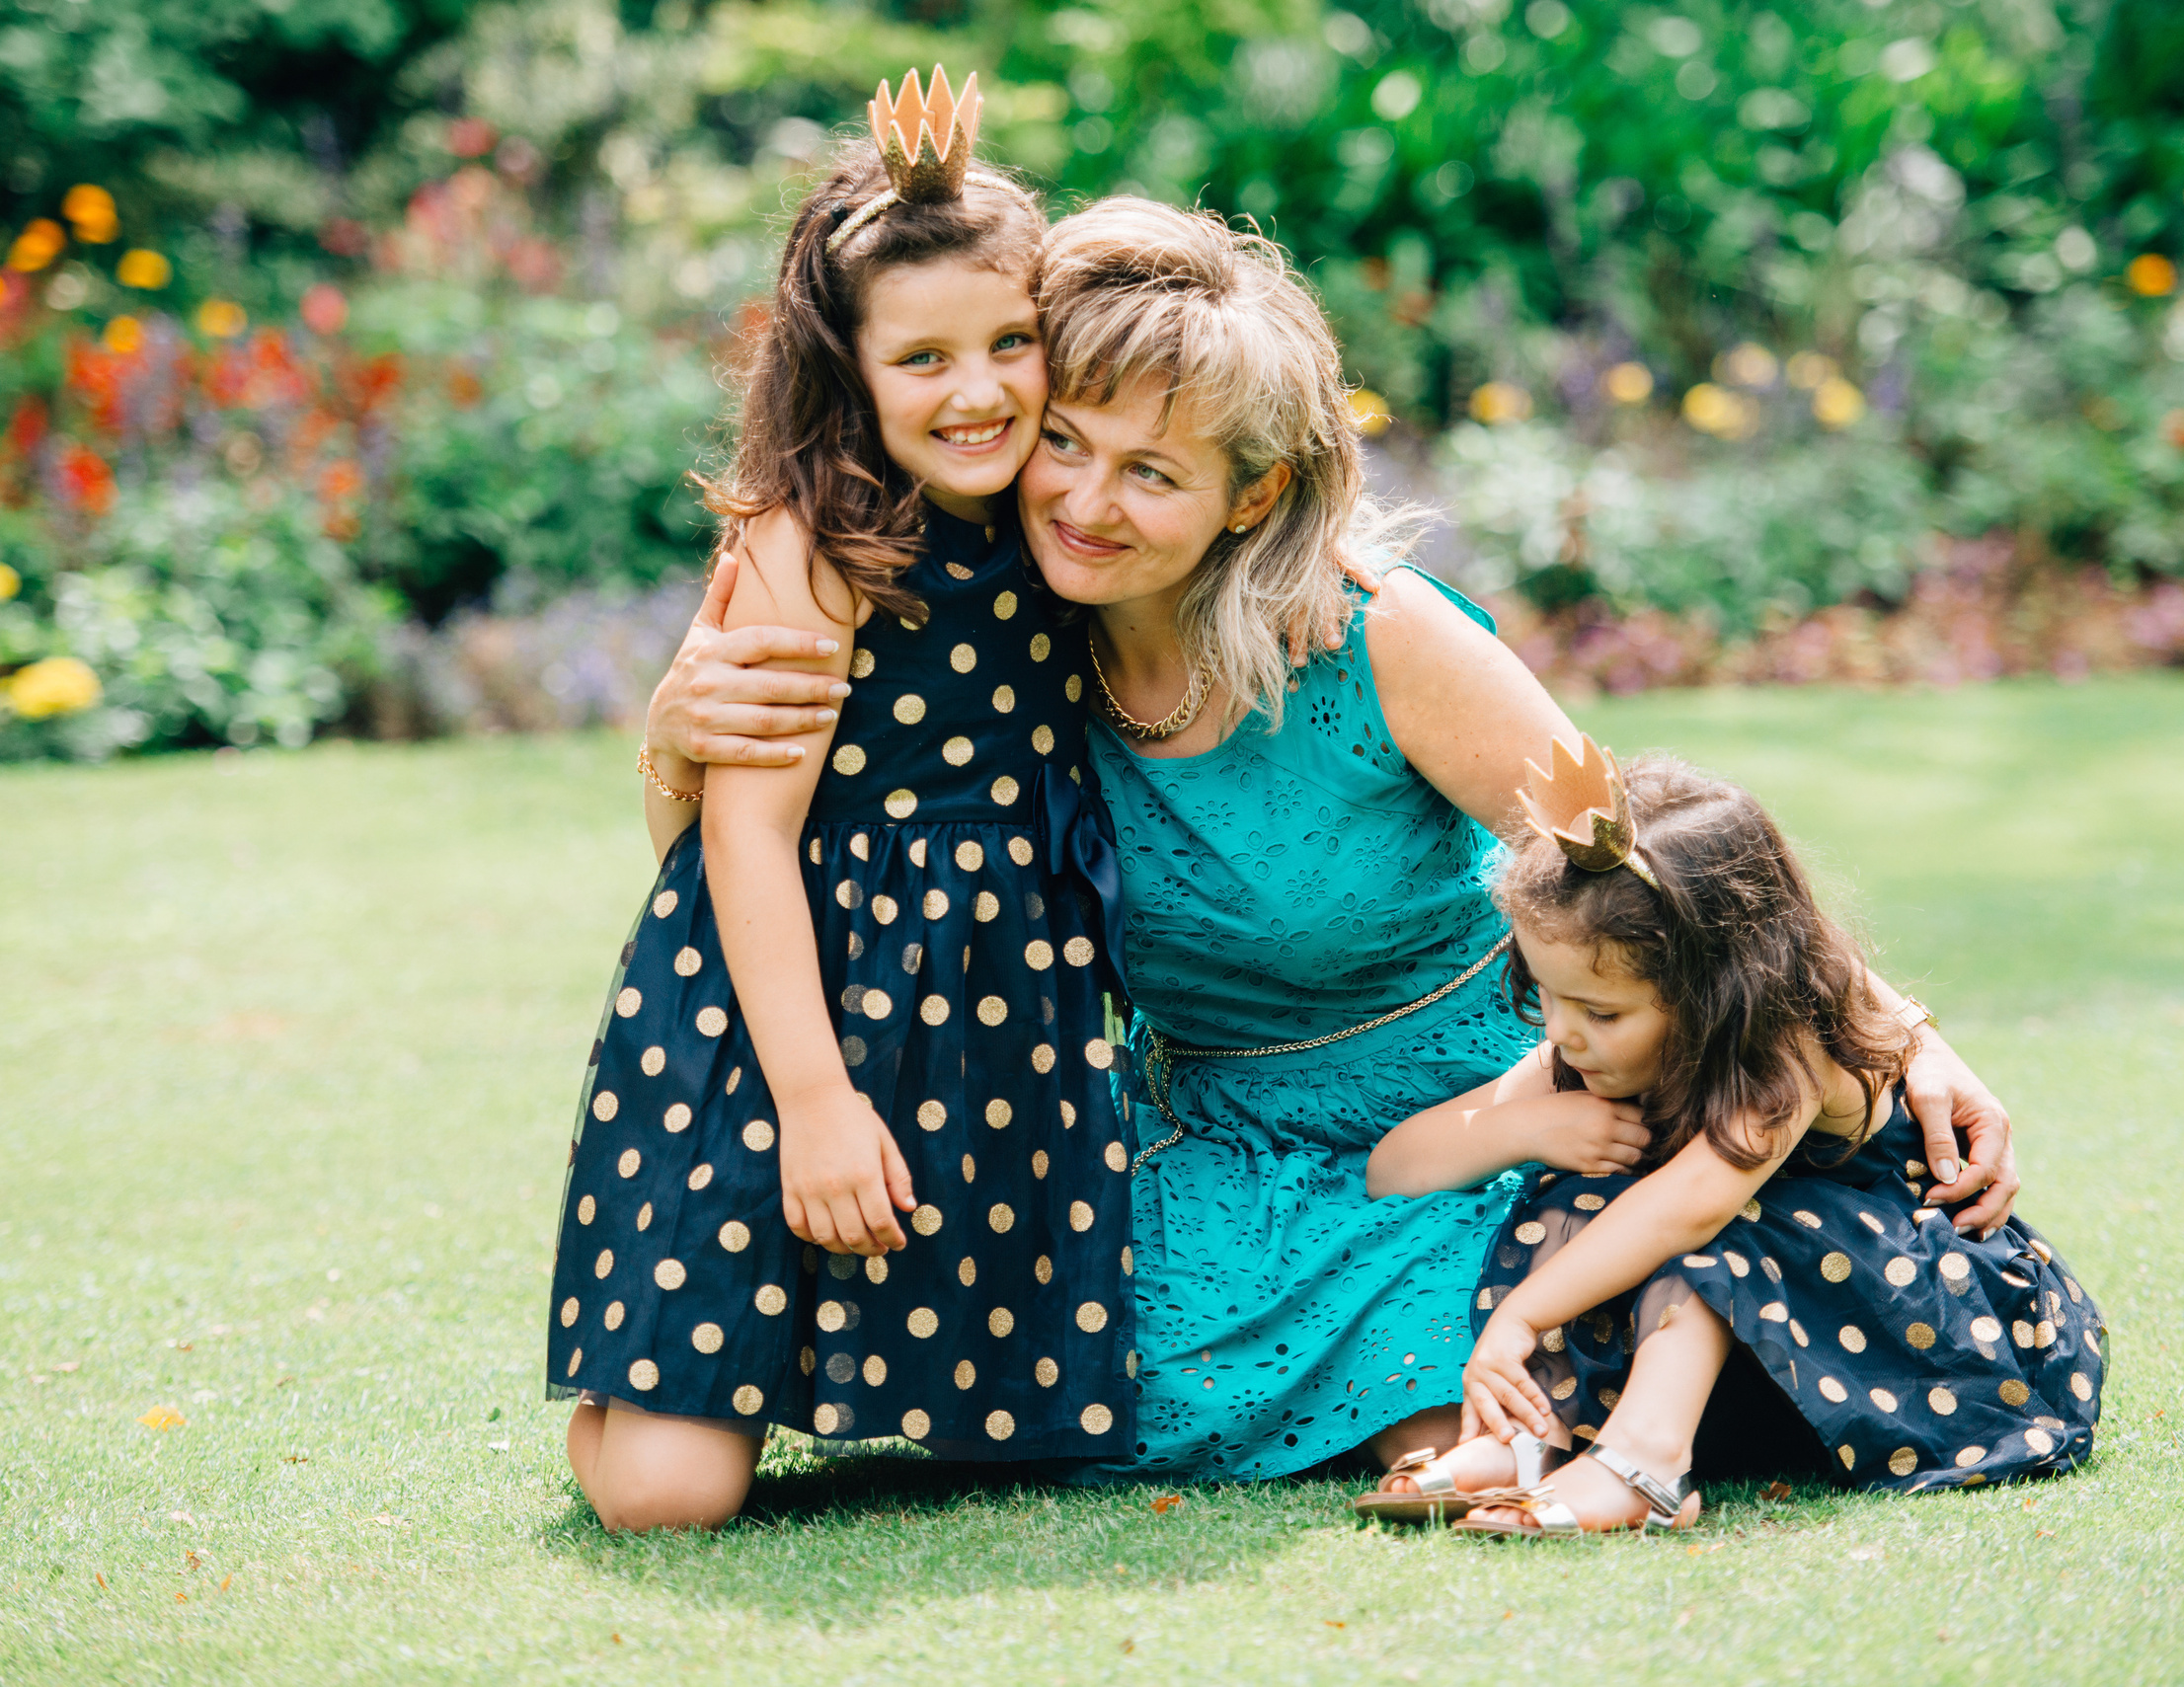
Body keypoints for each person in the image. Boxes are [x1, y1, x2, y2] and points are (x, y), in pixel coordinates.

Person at [640, 198, 2027, 1487]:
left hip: (1482, 1107)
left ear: (1248, 497)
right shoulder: (1005, 626)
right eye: (1066, 440)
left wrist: (1896, 1029)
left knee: (1476, 1374)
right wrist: (672, 726)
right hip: (1219, 1133)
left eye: (1152, 474)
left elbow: (1643, 856)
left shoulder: (1377, 637)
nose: (1084, 500)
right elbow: (740, 850)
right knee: (1078, 1378)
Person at [548, 76, 1135, 1533]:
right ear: (851, 370)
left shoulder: (1064, 513)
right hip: (776, 1009)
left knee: (1009, 1438)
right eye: (923, 356)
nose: (982, 389)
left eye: (1014, 344)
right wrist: (815, 1103)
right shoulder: (815, 540)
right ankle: (639, 1390)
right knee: (669, 1498)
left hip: (990, 997)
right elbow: (738, 833)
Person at [1359, 743, 2104, 1536]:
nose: (1565, 1033)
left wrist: (1519, 1318)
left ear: (1715, 985)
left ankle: (1644, 1465)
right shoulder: (1583, 1051)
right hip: (1778, 1360)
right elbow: (1393, 1168)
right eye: (1550, 997)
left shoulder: (1788, 1045)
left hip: (1922, 1331)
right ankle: (1529, 1441)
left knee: (1705, 1229)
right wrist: (1523, 1127)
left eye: (1601, 1012)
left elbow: (1688, 1207)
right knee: (1574, 1194)